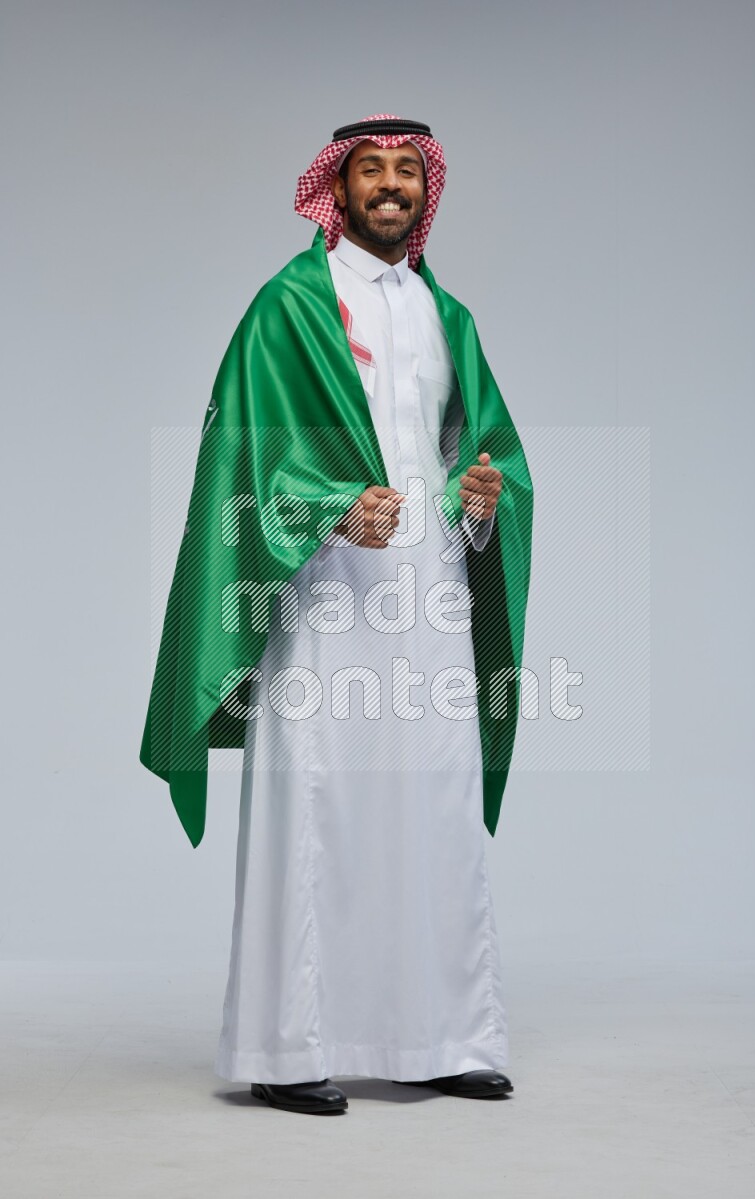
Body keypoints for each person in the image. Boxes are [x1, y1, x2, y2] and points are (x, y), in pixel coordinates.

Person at [140, 114, 534, 1116]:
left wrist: (482, 503)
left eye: (407, 171)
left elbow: (480, 456)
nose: (391, 185)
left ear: (426, 191)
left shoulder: (449, 317)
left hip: (430, 598)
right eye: (371, 170)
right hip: (322, 598)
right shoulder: (289, 307)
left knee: (433, 811)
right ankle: (287, 1047)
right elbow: (242, 454)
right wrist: (326, 508)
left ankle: (440, 1038)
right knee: (317, 810)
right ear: (338, 187)